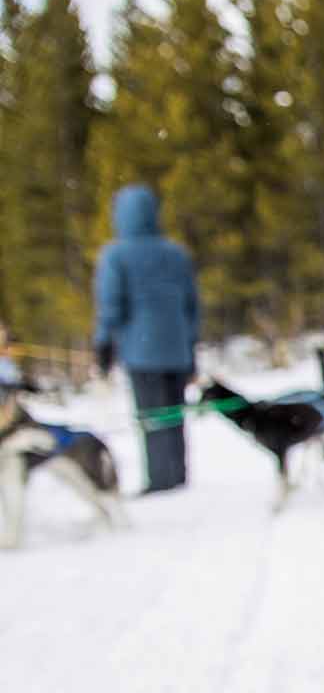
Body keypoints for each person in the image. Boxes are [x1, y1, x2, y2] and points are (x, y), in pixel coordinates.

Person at [92, 185, 200, 495]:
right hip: (177, 348)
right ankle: (178, 475)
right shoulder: (175, 253)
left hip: (141, 350)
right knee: (174, 414)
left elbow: (111, 304)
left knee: (152, 416)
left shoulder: (116, 254)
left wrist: (103, 344)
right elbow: (191, 306)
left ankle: (160, 481)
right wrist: (191, 347)